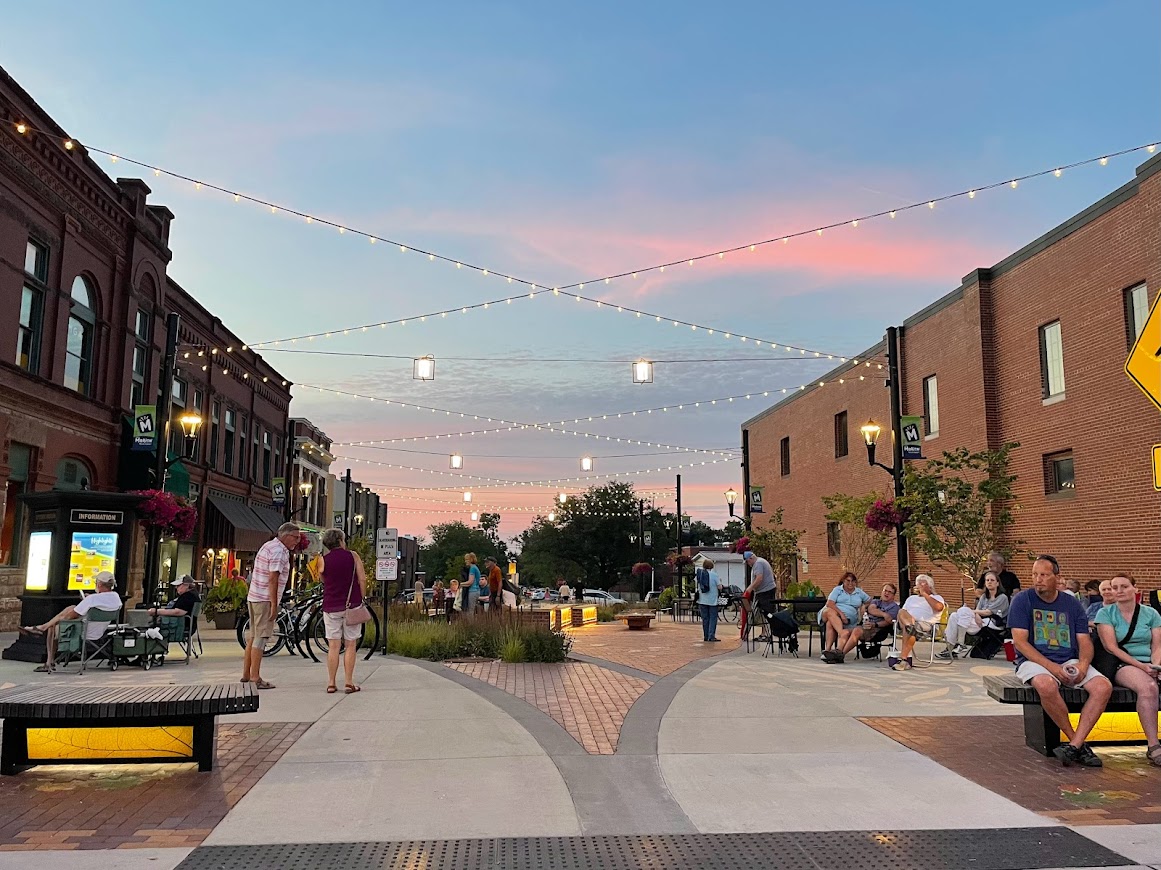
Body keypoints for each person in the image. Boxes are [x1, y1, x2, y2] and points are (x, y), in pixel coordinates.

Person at [1009, 554, 1112, 768]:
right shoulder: (1022, 600)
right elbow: (1020, 642)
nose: (1038, 579)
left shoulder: (1071, 604)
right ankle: (1078, 743)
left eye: (1044, 575)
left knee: (1103, 687)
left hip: (1069, 659)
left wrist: (1083, 665)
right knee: (1046, 685)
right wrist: (1052, 668)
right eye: (1035, 574)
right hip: (1034, 661)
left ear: (1057, 577)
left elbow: (1084, 641)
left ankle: (1073, 746)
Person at [1092, 572, 1161, 765]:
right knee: (1148, 687)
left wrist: (1156, 665)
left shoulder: (1151, 614)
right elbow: (1110, 647)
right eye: (1115, 588)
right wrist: (1143, 667)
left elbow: (1157, 645)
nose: (1119, 591)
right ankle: (1154, 745)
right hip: (1123, 662)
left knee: (1151, 681)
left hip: (1150, 662)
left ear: (1135, 589)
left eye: (1124, 586)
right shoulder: (1105, 614)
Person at [22, 570, 121, 673]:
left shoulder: (92, 599)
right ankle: (42, 627)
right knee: (71, 607)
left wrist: (59, 619)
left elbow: (71, 616)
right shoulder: (116, 598)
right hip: (99, 632)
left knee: (54, 626)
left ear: (99, 584)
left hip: (81, 632)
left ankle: (49, 661)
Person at [242, 522, 300, 690]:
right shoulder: (279, 552)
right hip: (264, 599)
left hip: (254, 596)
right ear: (285, 535)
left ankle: (247, 673)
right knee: (260, 638)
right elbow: (273, 578)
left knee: (253, 636)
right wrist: (274, 604)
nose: (297, 541)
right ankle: (255, 677)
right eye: (295, 537)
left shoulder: (268, 546)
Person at [319, 528, 366, 694]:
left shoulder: (323, 559)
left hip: (331, 606)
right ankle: (348, 682)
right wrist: (362, 597)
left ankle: (331, 683)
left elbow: (324, 580)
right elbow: (362, 578)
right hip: (352, 605)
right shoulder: (353, 556)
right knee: (350, 644)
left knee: (333, 645)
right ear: (340, 540)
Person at [939, 571, 1009, 659]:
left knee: (964, 610)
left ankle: (960, 643)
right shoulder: (984, 596)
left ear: (997, 583)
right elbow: (977, 611)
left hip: (993, 623)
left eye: (992, 580)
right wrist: (977, 615)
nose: (989, 582)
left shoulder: (1002, 597)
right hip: (980, 622)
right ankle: (950, 648)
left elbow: (989, 612)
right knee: (954, 616)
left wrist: (974, 612)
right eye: (987, 580)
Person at [887, 574, 945, 671]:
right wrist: (909, 621)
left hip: (927, 625)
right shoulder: (911, 599)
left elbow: (939, 608)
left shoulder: (937, 597)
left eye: (922, 583)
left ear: (929, 586)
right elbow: (901, 614)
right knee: (902, 612)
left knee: (908, 629)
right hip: (909, 623)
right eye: (918, 583)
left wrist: (925, 594)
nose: (919, 585)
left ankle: (904, 660)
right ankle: (910, 627)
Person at [819, 572, 870, 664]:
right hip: (832, 612)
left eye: (853, 581)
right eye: (848, 581)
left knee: (830, 623)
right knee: (830, 612)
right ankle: (842, 633)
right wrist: (841, 614)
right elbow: (830, 603)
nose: (850, 583)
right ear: (843, 581)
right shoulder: (838, 590)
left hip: (849, 620)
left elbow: (870, 600)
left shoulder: (859, 592)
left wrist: (864, 606)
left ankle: (828, 651)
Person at [858, 583, 900, 657]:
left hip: (878, 631)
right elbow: (871, 609)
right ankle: (840, 652)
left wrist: (875, 624)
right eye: (885, 590)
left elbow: (888, 622)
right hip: (864, 626)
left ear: (893, 596)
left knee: (855, 632)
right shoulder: (876, 601)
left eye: (889, 592)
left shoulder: (894, 607)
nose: (886, 593)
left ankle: (841, 653)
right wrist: (884, 614)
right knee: (848, 632)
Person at [696, 558, 724, 642]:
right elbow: (720, 587)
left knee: (705, 618)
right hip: (712, 600)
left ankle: (706, 635)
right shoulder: (714, 575)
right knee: (712, 618)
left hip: (702, 599)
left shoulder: (700, 574)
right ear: (711, 566)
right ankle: (711, 636)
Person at [742, 550, 776, 617]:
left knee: (766, 611)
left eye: (747, 561)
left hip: (765, 591)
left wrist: (750, 589)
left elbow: (759, 578)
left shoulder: (758, 563)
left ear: (751, 558)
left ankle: (771, 622)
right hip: (764, 590)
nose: (748, 563)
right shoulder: (759, 562)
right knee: (765, 610)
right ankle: (768, 622)